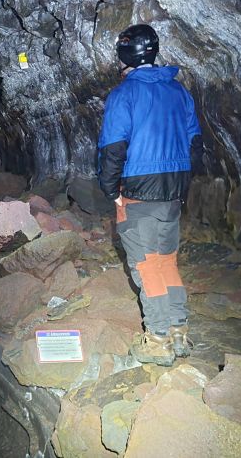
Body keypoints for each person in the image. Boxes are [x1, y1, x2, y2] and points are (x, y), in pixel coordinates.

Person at [97, 23, 203, 366]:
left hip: (139, 188)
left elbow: (113, 148)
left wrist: (111, 189)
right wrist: (181, 183)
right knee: (166, 260)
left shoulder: (123, 95)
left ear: (125, 55)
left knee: (146, 265)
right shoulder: (179, 92)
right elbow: (194, 144)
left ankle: (157, 338)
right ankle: (178, 329)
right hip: (173, 189)